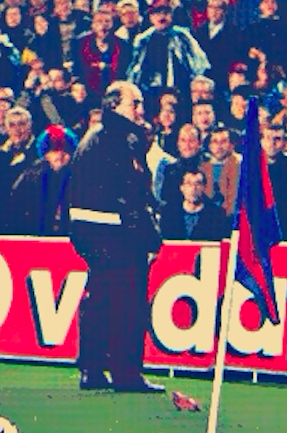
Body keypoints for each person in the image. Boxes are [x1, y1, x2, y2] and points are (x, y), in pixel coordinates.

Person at [66, 80, 164, 393]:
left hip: (87, 228)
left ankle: (91, 368)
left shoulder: (92, 136)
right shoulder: (124, 138)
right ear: (114, 106)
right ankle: (126, 372)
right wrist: (150, 236)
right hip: (117, 231)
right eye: (134, 103)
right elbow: (132, 192)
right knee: (129, 302)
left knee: (100, 298)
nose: (140, 110)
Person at [159, 168, 227, 240]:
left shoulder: (215, 214)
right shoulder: (169, 212)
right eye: (189, 184)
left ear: (204, 187)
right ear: (182, 187)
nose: (193, 188)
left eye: (198, 184)